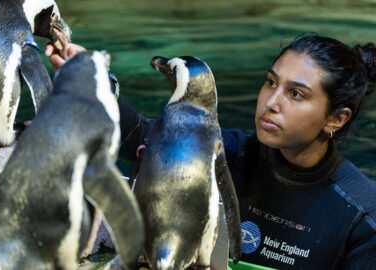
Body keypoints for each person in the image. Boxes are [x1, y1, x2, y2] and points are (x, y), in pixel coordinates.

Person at [46, 34, 376, 269]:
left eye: (297, 94)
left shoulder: (360, 217)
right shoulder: (232, 154)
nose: (271, 103)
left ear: (336, 118)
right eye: (271, 82)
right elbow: (145, 139)